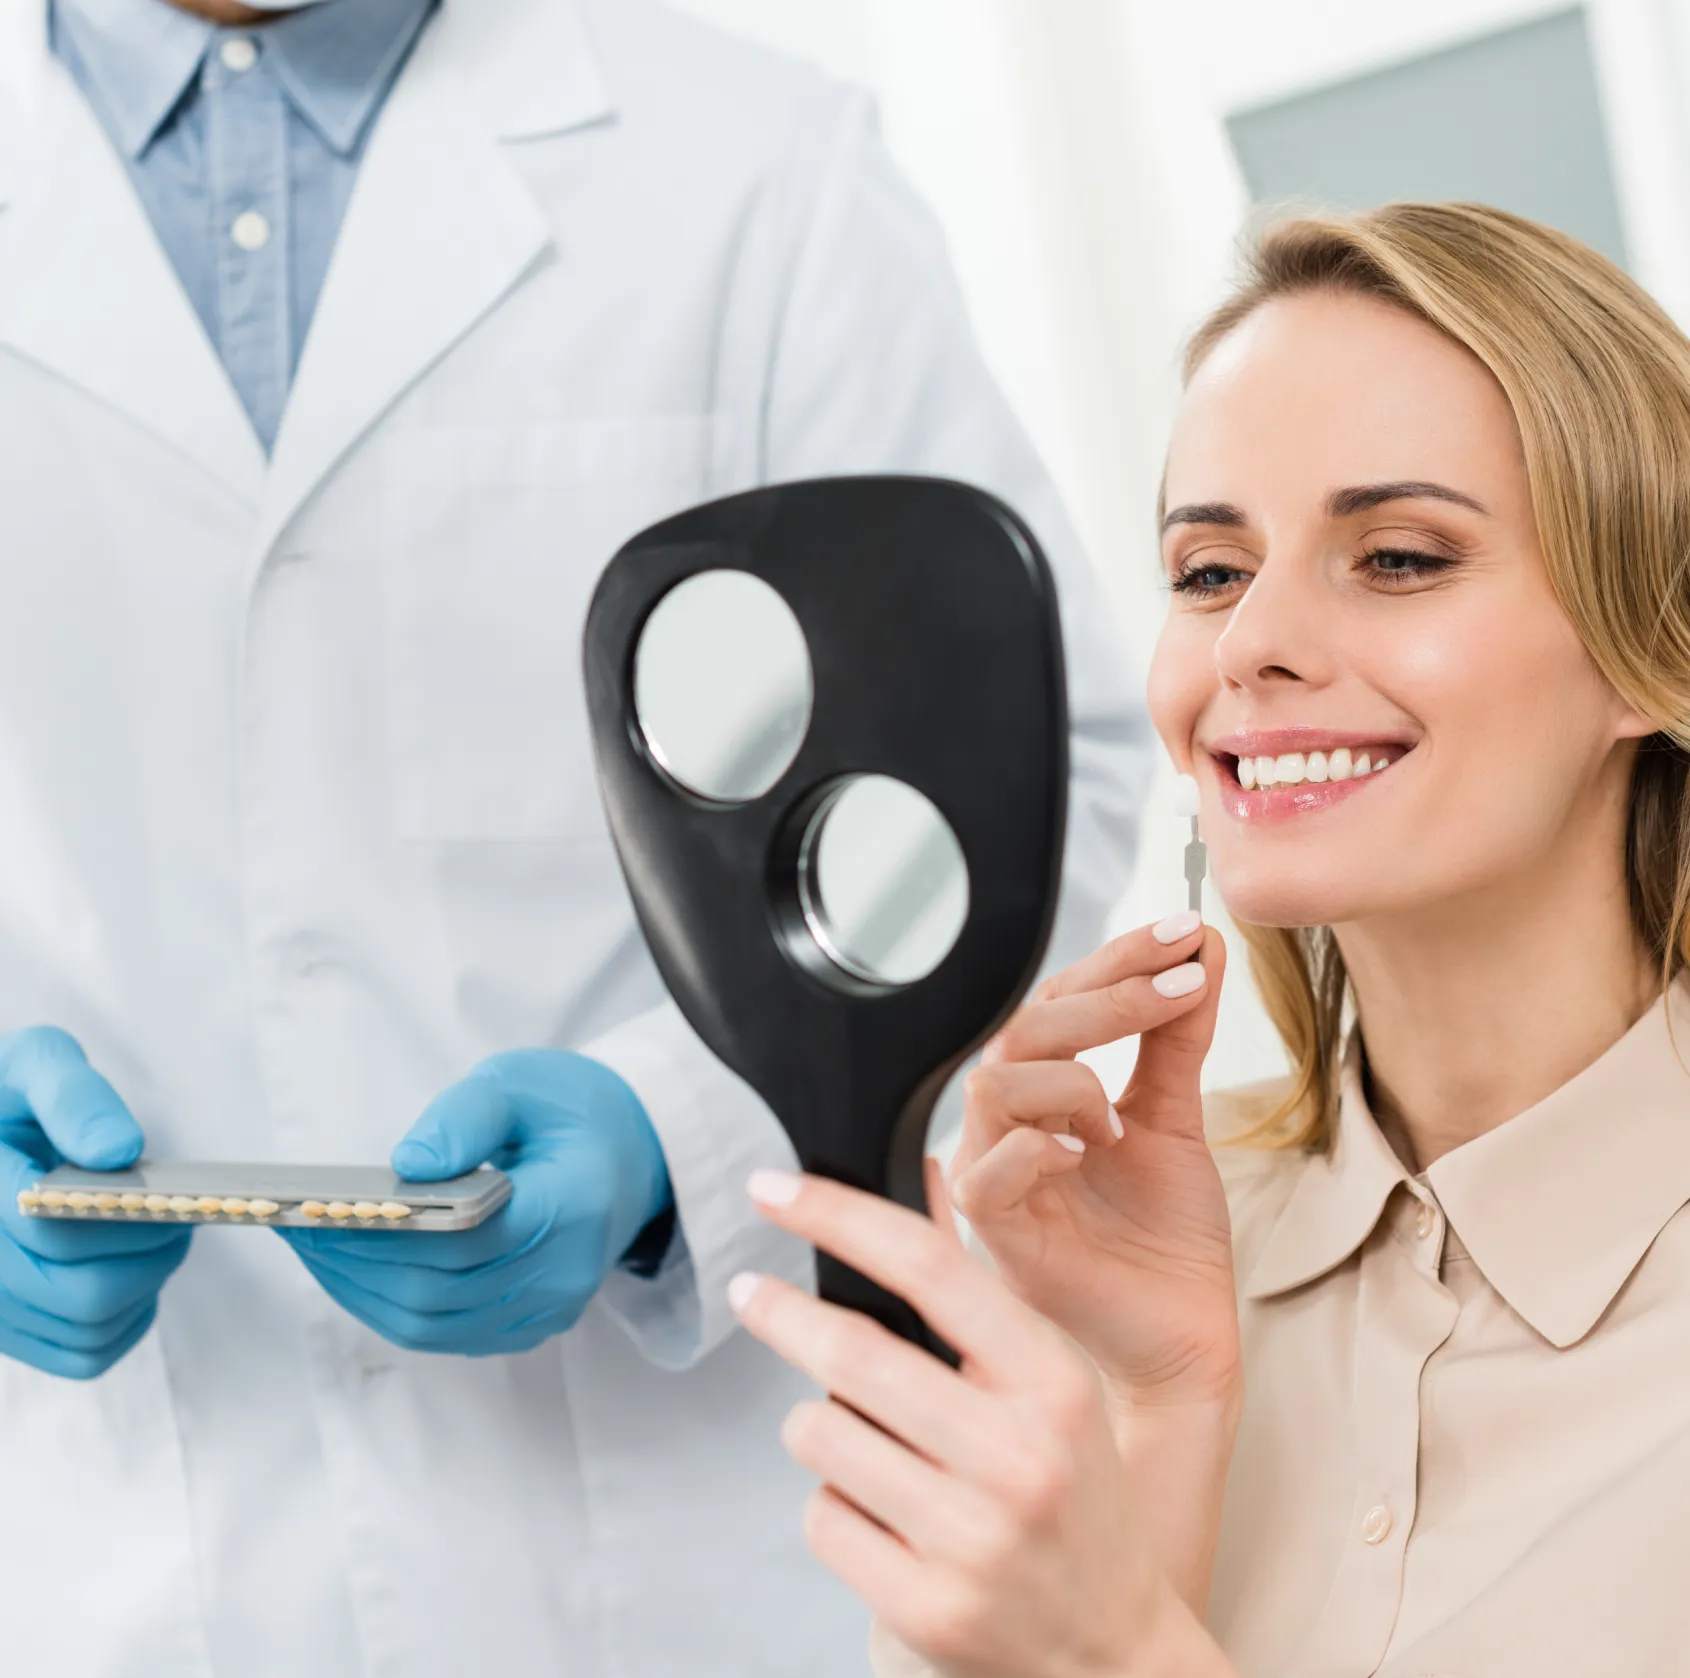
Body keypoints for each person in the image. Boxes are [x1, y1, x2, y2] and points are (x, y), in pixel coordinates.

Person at [0, 1, 1150, 1674]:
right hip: (102, 1566)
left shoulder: (756, 166)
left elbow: (1029, 778)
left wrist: (680, 1127)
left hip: (680, 1568)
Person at [732, 200, 1690, 1677]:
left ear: (1648, 642)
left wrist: (1117, 1648)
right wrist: (1160, 1408)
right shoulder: (1125, 1256)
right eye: (1208, 571)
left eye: (1398, 557)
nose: (1247, 645)